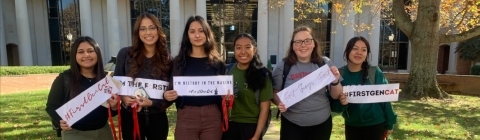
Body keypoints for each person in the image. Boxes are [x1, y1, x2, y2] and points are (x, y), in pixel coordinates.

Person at [271, 26, 343, 140]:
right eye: (298, 42)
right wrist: (280, 102)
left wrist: (335, 80)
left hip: (322, 124)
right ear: (293, 46)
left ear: (314, 43)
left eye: (307, 41)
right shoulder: (283, 66)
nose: (303, 45)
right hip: (291, 125)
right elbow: (275, 92)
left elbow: (336, 95)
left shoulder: (324, 63)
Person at [163, 15, 225, 140]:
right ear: (187, 35)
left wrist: (228, 96)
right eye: (192, 31)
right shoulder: (179, 62)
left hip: (212, 116)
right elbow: (170, 90)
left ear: (207, 34)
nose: (197, 35)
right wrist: (167, 95)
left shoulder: (218, 63)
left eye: (201, 31)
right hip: (186, 115)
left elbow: (223, 93)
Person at [45, 36, 119, 140]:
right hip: (74, 133)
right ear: (74, 55)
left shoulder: (106, 80)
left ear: (97, 53)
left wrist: (114, 107)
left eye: (90, 51)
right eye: (80, 52)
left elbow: (110, 111)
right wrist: (60, 120)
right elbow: (51, 106)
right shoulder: (64, 79)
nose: (86, 55)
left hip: (104, 132)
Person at [114, 13, 172, 140]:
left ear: (158, 30)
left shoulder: (168, 60)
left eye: (152, 27)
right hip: (130, 116)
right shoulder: (124, 54)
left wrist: (152, 103)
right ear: (137, 33)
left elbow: (170, 97)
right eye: (143, 28)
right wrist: (123, 97)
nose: (148, 32)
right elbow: (115, 84)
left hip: (157, 118)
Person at [333, 36, 397, 140]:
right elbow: (333, 106)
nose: (359, 52)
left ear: (367, 54)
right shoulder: (339, 75)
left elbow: (386, 100)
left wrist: (390, 123)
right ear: (347, 51)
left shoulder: (375, 72)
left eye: (364, 50)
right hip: (352, 126)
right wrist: (342, 103)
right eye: (355, 48)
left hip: (376, 124)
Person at [222, 33, 273, 140]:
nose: (243, 52)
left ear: (254, 50)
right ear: (234, 51)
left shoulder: (263, 75)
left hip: (251, 126)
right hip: (229, 126)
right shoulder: (227, 71)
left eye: (248, 47)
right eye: (238, 48)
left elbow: (265, 109)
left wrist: (256, 135)